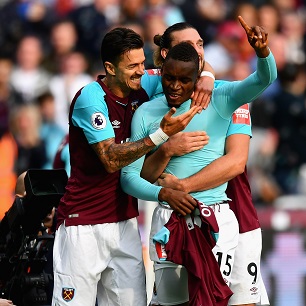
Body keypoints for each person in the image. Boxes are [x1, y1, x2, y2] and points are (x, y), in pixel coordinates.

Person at [120, 16, 277, 306]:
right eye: (170, 78)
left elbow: (264, 79)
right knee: (170, 302)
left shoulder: (223, 97)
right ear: (163, 65)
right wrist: (166, 153)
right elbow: (131, 177)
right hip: (168, 216)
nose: (176, 86)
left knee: (214, 300)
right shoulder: (145, 111)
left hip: (218, 215)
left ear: (198, 74)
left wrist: (262, 53)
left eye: (200, 45)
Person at [51, 27, 203, 306]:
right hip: (82, 224)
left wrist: (208, 79)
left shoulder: (142, 84)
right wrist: (161, 136)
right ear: (109, 67)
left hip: (125, 223)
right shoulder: (91, 98)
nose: (141, 71)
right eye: (132, 66)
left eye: (143, 63)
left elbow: (194, 67)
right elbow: (110, 160)